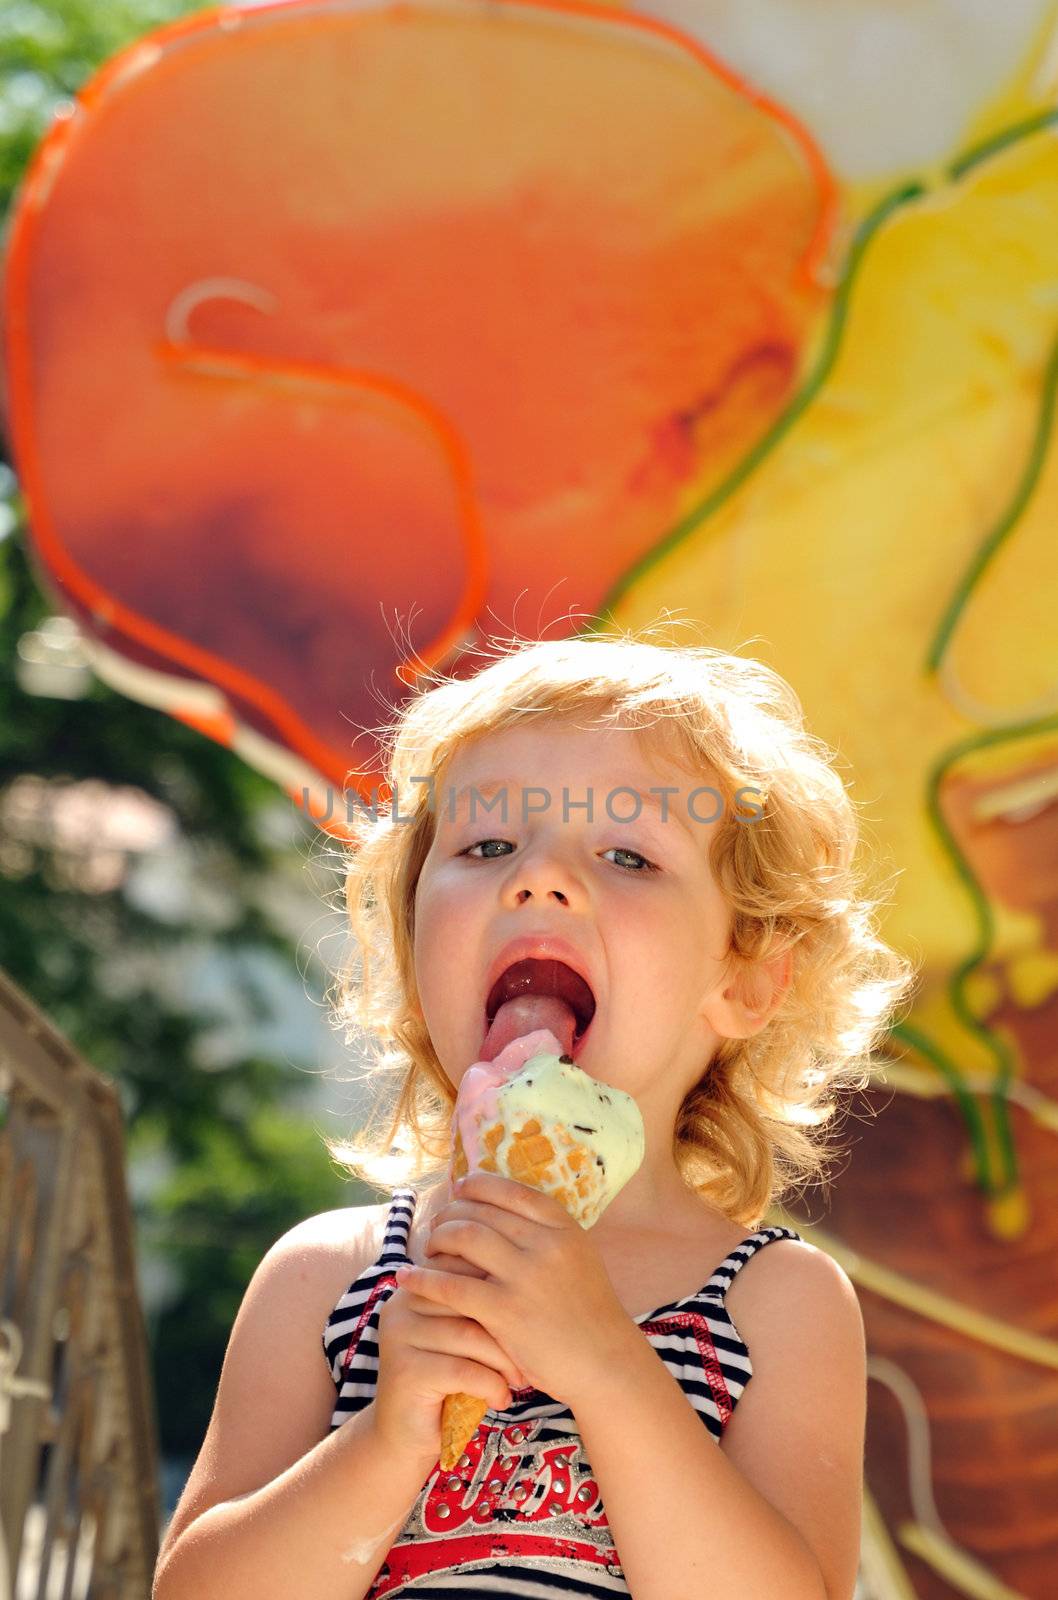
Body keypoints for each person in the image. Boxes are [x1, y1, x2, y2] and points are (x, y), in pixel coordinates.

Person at [153, 625, 916, 1600]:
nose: (538, 875)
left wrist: (606, 1367)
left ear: (746, 979)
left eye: (628, 856)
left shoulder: (774, 1302)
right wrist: (385, 1437)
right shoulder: (327, 1281)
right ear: (410, 934)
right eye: (485, 843)